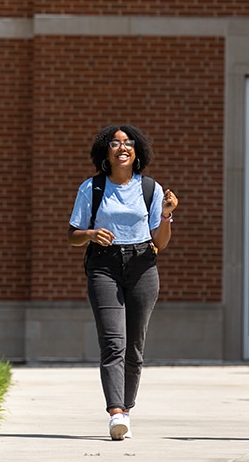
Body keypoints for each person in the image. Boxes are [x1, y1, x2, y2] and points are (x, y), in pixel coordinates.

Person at [68, 124, 178, 441]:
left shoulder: (151, 189)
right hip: (104, 264)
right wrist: (90, 234)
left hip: (143, 263)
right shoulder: (92, 188)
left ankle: (127, 409)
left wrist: (167, 215)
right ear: (106, 152)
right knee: (113, 342)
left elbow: (161, 240)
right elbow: (72, 235)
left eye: (128, 142)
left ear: (137, 151)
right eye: (115, 143)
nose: (122, 147)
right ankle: (116, 413)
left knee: (135, 345)